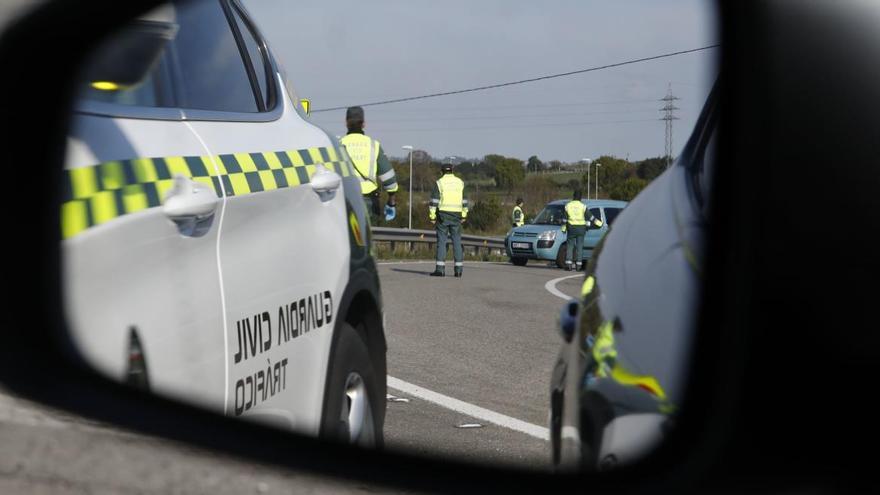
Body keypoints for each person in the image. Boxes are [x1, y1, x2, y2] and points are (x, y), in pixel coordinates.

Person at [339, 106, 397, 224]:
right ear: (364, 124)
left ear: (346, 123)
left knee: (346, 240)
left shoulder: (338, 145)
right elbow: (389, 179)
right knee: (369, 238)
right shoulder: (373, 145)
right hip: (369, 202)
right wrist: (391, 201)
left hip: (345, 201)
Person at [429, 163, 469, 278]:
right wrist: (464, 215)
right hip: (456, 215)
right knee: (457, 242)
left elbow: (434, 202)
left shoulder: (439, 183)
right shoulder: (460, 182)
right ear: (452, 171)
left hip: (443, 216)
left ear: (442, 171)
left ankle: (440, 270)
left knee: (442, 241)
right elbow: (465, 201)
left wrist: (432, 216)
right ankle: (458, 270)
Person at [563, 189, 603, 271]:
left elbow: (564, 219)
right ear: (580, 198)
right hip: (581, 229)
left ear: (573, 196)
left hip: (571, 228)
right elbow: (590, 217)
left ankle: (569, 264)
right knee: (579, 246)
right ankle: (578, 266)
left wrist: (564, 228)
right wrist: (599, 223)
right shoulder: (583, 206)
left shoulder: (568, 206)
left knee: (570, 246)